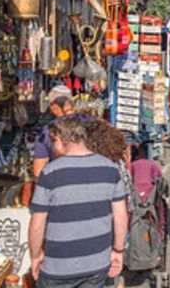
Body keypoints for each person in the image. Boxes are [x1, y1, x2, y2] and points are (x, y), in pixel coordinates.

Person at [29, 116, 127, 287]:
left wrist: (35, 255)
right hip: (97, 264)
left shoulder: (50, 172)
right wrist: (118, 250)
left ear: (59, 140)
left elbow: (37, 224)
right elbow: (120, 216)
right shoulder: (110, 169)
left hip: (58, 267)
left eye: (53, 143)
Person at [32, 85, 80, 179]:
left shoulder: (46, 131)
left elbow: (38, 172)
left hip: (62, 185)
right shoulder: (92, 124)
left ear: (54, 106)